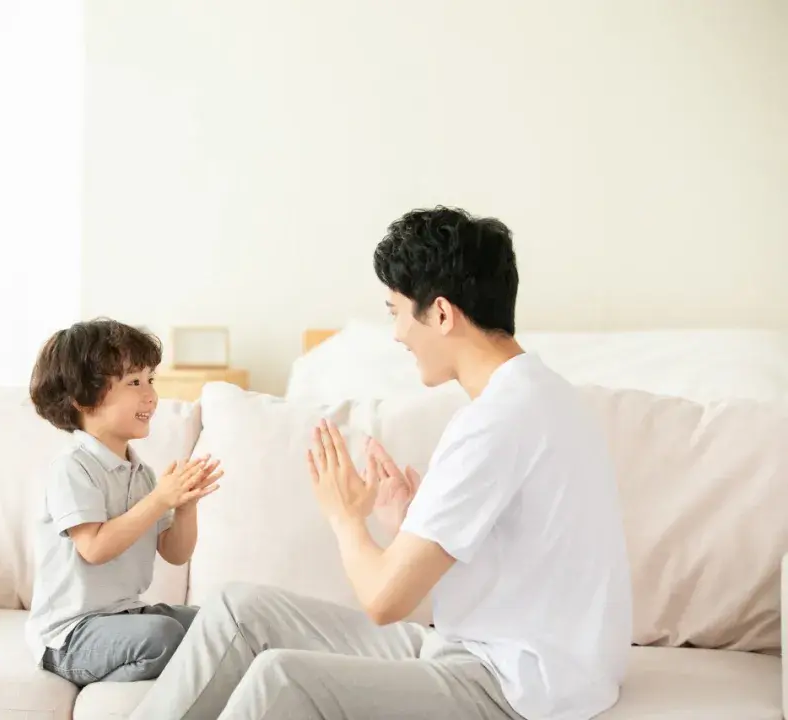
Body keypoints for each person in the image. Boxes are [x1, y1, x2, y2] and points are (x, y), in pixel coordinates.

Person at [128, 207, 632, 720]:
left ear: (441, 313)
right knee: (237, 611)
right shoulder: (540, 394)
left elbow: (384, 599)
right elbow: (520, 552)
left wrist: (346, 515)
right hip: (498, 653)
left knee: (283, 678)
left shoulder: (496, 422)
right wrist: (410, 522)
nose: (397, 334)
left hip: (516, 686)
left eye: (396, 311)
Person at [25, 318, 223, 686]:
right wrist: (160, 499)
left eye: (151, 380)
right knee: (163, 635)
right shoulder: (73, 468)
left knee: (215, 623)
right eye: (134, 382)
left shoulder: (141, 473)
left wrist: (185, 505)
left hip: (124, 615)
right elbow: (95, 548)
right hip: (71, 635)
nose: (151, 395)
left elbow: (175, 553)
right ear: (83, 398)